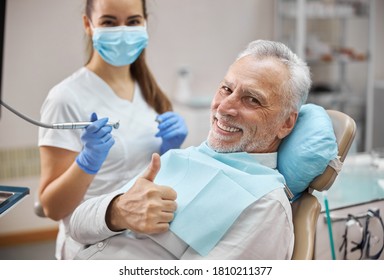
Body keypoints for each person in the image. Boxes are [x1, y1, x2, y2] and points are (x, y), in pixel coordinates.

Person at [69, 39, 312, 260]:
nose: (224, 108)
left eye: (252, 99)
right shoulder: (178, 158)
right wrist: (118, 211)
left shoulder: (265, 205)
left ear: (285, 123)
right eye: (226, 89)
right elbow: (77, 226)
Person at [38, 0, 188, 260]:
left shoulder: (151, 92)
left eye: (132, 22)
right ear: (88, 24)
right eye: (109, 22)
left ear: (145, 23)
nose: (122, 31)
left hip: (144, 228)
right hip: (93, 238)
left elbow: (153, 172)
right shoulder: (64, 98)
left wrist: (170, 151)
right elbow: (52, 207)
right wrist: (87, 162)